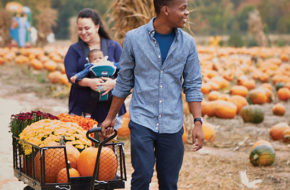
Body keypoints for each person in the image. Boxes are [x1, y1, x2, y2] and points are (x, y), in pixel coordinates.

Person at [101, 0, 204, 189]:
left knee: (169, 183)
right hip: (142, 121)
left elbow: (193, 85)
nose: (187, 13)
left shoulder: (188, 44)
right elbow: (124, 82)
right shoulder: (134, 39)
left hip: (172, 125)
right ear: (166, 10)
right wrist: (110, 117)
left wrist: (198, 122)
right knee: (142, 177)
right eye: (182, 8)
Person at [64, 8, 126, 129]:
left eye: (87, 28)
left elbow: (126, 72)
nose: (83, 32)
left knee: (107, 145)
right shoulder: (74, 49)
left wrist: (113, 83)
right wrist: (89, 82)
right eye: (80, 29)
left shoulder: (114, 46)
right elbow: (70, 75)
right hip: (83, 107)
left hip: (111, 106)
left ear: (97, 27)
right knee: (83, 143)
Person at [70, 49, 117, 118]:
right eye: (95, 59)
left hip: (110, 87)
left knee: (113, 99)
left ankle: (114, 114)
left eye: (100, 58)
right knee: (93, 99)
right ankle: (88, 114)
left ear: (104, 58)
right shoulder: (91, 66)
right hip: (97, 87)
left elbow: (119, 66)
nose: (98, 60)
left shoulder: (109, 64)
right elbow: (83, 72)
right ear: (89, 60)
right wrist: (76, 76)